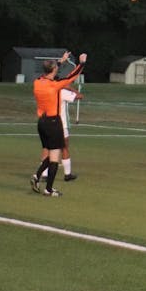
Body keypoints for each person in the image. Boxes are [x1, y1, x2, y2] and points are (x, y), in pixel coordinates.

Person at [30, 51, 87, 197]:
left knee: (49, 154)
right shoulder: (54, 86)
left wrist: (60, 61)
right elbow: (71, 77)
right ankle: (48, 189)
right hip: (53, 122)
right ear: (54, 70)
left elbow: (50, 72)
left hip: (41, 123)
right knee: (55, 156)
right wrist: (82, 63)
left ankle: (37, 176)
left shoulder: (37, 82)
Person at [39, 82, 83, 183]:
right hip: (61, 124)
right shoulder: (62, 92)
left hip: (47, 123)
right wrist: (70, 88)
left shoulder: (46, 91)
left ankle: (44, 174)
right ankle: (67, 174)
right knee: (64, 148)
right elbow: (80, 96)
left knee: (47, 148)